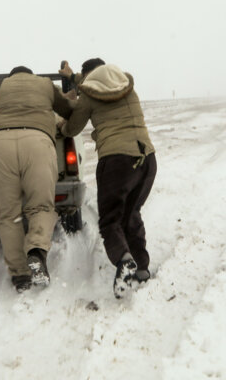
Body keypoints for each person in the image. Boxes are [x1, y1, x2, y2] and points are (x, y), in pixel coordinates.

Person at [58, 59, 157, 299]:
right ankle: (142, 268)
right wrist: (74, 78)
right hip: (147, 158)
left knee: (110, 220)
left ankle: (124, 261)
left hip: (117, 162)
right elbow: (95, 85)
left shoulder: (89, 97)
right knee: (131, 212)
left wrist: (60, 127)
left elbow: (73, 127)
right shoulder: (126, 85)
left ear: (88, 76)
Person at [0, 66, 73, 292]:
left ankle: (20, 275)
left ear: (10, 77)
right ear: (31, 75)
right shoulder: (45, 84)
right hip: (37, 141)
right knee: (40, 205)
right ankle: (36, 251)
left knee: (7, 213)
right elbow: (68, 109)